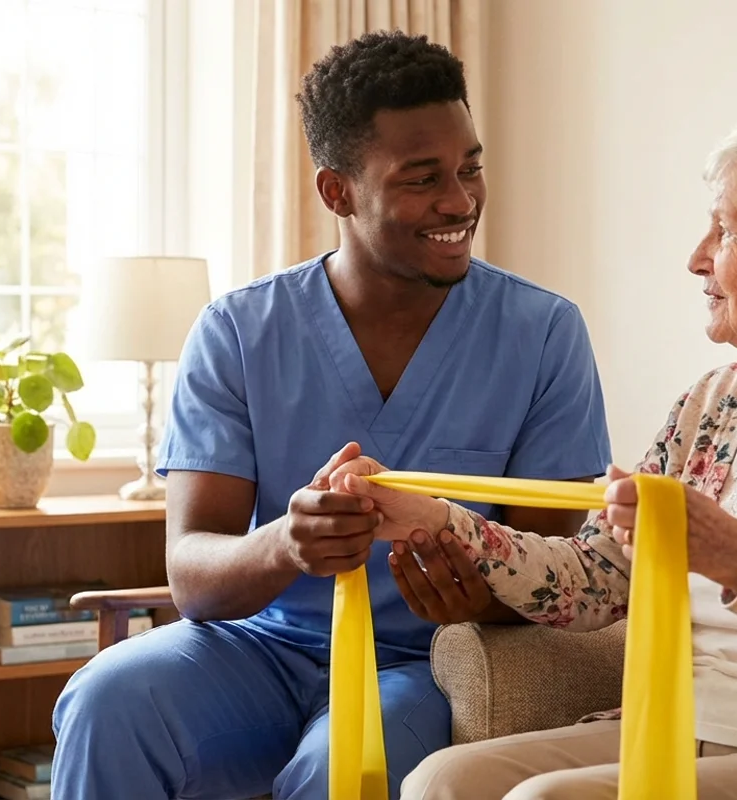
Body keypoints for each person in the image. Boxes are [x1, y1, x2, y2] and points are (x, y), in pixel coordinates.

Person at [328, 97, 737, 800]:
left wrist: (736, 554)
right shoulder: (714, 404)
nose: (697, 257)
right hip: (670, 722)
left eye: (725, 229)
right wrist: (434, 518)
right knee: (443, 780)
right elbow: (597, 577)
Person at [49, 30, 611, 800]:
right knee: (106, 697)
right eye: (422, 179)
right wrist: (288, 542)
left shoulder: (543, 333)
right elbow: (193, 578)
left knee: (338, 768)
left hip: (420, 664)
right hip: (259, 648)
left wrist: (474, 590)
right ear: (336, 192)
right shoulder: (239, 331)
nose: (460, 200)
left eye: (470, 167)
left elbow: (550, 578)